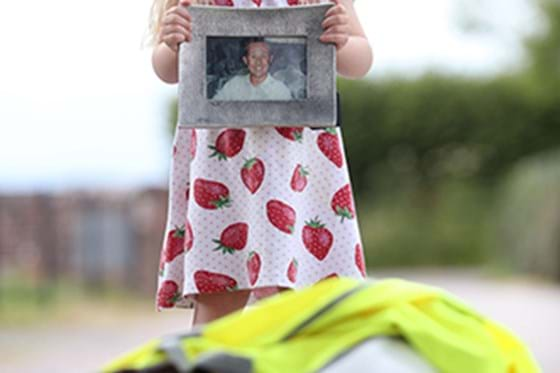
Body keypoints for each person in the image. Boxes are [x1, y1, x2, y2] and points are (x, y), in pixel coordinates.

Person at [149, 0, 373, 327]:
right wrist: (171, 43)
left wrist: (343, 41)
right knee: (219, 290)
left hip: (297, 165)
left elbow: (361, 61)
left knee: (298, 291)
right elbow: (167, 70)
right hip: (222, 160)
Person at [212, 39, 293, 100]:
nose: (258, 62)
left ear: (270, 59)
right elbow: (214, 108)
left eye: (263, 56)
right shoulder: (233, 85)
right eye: (253, 57)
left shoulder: (280, 91)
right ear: (245, 60)